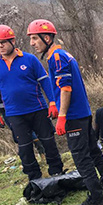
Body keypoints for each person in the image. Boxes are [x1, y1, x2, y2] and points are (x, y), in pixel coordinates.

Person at [28, 19, 103, 205]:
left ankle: (96, 198)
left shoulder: (56, 57)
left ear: (47, 37)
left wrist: (62, 116)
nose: (32, 43)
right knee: (93, 150)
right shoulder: (64, 54)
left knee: (81, 157)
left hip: (74, 115)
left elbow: (65, 88)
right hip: (83, 112)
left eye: (35, 38)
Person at [0, 25, 63, 180]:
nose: (0, 46)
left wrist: (53, 102)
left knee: (48, 141)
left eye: (2, 42)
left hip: (38, 109)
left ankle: (57, 171)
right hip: (14, 113)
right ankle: (34, 178)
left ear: (12, 40)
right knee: (24, 148)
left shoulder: (30, 59)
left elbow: (45, 82)